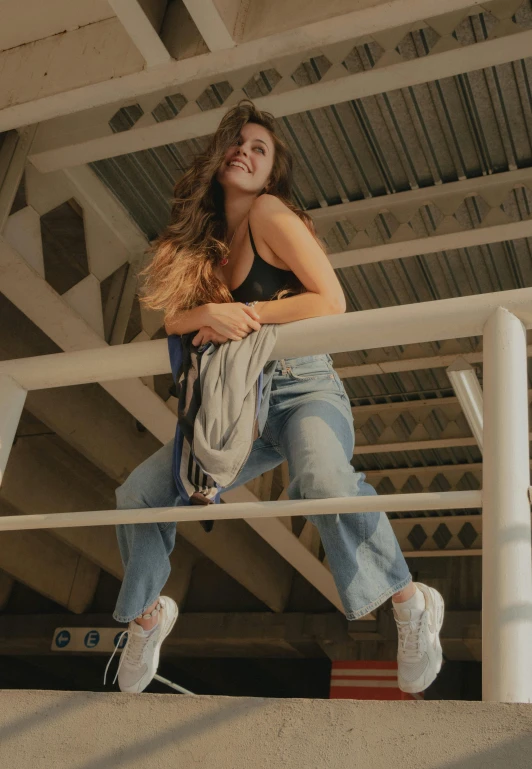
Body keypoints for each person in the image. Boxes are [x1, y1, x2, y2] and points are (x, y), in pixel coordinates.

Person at [106, 99, 444, 695]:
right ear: (218, 160)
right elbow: (172, 323)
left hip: (303, 385)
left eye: (259, 149)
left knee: (318, 480)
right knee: (139, 493)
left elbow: (331, 301)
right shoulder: (204, 242)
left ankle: (411, 602)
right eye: (237, 144)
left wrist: (247, 314)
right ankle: (145, 619)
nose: (245, 152)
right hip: (236, 405)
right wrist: (208, 311)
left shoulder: (268, 212)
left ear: (270, 174)